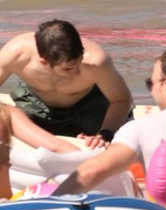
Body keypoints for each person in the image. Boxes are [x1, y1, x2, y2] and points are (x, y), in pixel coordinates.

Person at [0, 15, 132, 140]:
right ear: (44, 62)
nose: (77, 72)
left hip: (88, 108)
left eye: (79, 62)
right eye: (68, 68)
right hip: (35, 104)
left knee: (123, 134)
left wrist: (105, 134)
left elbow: (121, 100)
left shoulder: (95, 61)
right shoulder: (16, 54)